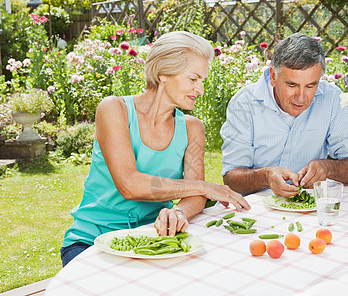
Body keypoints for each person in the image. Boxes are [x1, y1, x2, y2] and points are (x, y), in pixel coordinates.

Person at [60, 31, 250, 267]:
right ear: (163, 74)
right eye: (193, 79)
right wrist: (204, 186)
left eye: (202, 81)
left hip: (154, 240)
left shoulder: (192, 128)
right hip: (91, 241)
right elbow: (130, 185)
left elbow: (194, 198)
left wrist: (179, 213)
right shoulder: (114, 109)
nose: (200, 89)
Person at [220, 33, 348, 197]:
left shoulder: (331, 98)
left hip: (305, 211)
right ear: (273, 77)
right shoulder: (244, 104)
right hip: (252, 209)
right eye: (292, 85)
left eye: (311, 85)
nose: (301, 97)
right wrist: (266, 176)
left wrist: (328, 167)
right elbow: (231, 178)